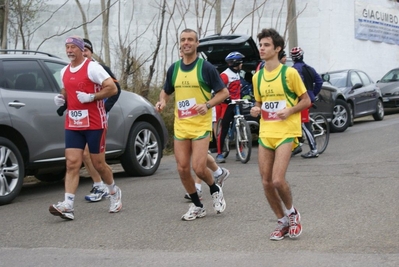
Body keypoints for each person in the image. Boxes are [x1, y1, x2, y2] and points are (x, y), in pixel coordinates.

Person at [156, 28, 229, 221]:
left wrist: (207, 104)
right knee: (181, 168)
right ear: (180, 44)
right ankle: (197, 206)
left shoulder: (206, 68)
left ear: (197, 44)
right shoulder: (174, 68)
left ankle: (214, 188)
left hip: (200, 125)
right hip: (182, 125)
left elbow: (224, 93)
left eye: (190, 40)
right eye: (183, 40)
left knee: (198, 167)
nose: (186, 42)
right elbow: (166, 91)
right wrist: (162, 101)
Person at [50, 36, 122, 220]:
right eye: (67, 47)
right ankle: (68, 205)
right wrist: (61, 98)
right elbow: (67, 90)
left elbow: (112, 88)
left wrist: (92, 97)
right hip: (73, 123)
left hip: (95, 122)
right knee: (72, 163)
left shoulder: (92, 67)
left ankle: (114, 192)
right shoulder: (64, 71)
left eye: (73, 47)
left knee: (98, 163)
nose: (69, 50)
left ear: (82, 50)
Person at [250, 28, 310, 240]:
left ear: (277, 49)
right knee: (265, 182)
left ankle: (292, 213)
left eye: (266, 45)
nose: (262, 49)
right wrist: (255, 109)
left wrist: (290, 110)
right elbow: (259, 102)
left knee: (277, 180)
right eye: (261, 45)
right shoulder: (257, 77)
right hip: (266, 131)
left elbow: (306, 100)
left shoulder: (290, 73)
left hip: (286, 131)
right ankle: (282, 221)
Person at [82, 38, 122, 201]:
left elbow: (116, 89)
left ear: (91, 52)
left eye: (86, 50)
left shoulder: (99, 68)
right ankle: (99, 185)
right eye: (81, 50)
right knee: (85, 155)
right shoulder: (75, 70)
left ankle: (106, 187)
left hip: (98, 117)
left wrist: (105, 109)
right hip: (82, 117)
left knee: (95, 155)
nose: (83, 53)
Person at [290, 47, 323, 159]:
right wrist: (313, 94)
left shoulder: (294, 70)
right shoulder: (310, 68)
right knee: (296, 123)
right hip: (309, 99)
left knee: (305, 125)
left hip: (301, 101)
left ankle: (314, 150)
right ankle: (296, 145)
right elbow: (319, 81)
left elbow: (296, 86)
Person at [215, 51, 245, 163]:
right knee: (224, 129)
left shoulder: (237, 73)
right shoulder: (225, 75)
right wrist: (225, 98)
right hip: (226, 105)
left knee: (241, 127)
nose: (242, 64)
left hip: (236, 104)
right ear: (235, 63)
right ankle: (219, 154)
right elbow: (218, 90)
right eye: (241, 62)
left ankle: (240, 151)